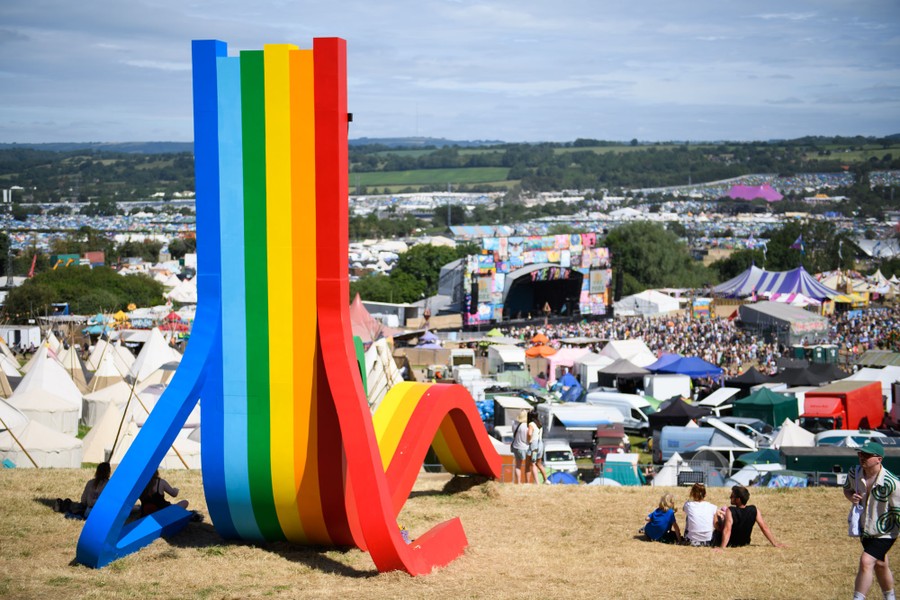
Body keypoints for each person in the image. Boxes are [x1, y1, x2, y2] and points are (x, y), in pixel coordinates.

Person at [843, 440, 900, 600]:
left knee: (866, 561)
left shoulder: (892, 483)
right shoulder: (854, 472)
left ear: (878, 459)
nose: (861, 457)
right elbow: (847, 489)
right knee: (881, 565)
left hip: (885, 531)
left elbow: (898, 511)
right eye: (860, 453)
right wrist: (851, 497)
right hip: (865, 528)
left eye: (866, 455)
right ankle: (890, 597)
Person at [713, 485, 785, 550]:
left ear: (738, 499)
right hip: (745, 543)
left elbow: (727, 530)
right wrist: (774, 543)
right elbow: (764, 527)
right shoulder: (754, 510)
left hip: (731, 543)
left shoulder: (731, 510)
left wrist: (722, 548)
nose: (730, 497)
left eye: (732, 496)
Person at [683, 482, 717, 546]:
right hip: (708, 541)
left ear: (692, 493)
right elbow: (716, 525)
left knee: (688, 517)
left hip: (692, 540)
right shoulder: (712, 507)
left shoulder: (688, 505)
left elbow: (683, 510)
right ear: (705, 494)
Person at [526, 410, 548, 484]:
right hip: (540, 444)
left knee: (533, 463)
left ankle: (537, 482)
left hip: (534, 445)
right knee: (539, 463)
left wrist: (529, 440)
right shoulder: (539, 424)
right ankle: (546, 480)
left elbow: (529, 433)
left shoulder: (531, 424)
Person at [511, 410, 529, 484]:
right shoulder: (526, 426)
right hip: (525, 447)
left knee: (518, 466)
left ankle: (518, 482)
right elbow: (527, 437)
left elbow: (513, 433)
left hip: (516, 446)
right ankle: (527, 482)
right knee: (528, 465)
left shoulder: (514, 424)